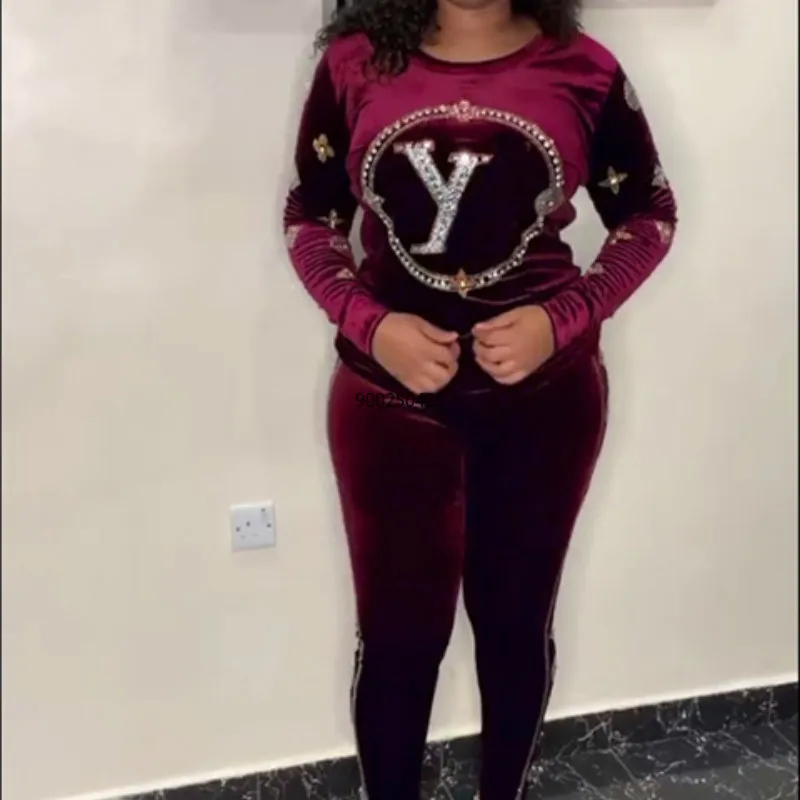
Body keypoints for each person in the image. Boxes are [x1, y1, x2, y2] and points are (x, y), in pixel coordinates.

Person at [282, 0, 677, 797]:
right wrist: (371, 324)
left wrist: (562, 319)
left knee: (514, 629)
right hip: (387, 403)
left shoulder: (585, 70)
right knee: (397, 640)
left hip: (544, 401)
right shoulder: (354, 63)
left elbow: (649, 216)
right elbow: (311, 218)